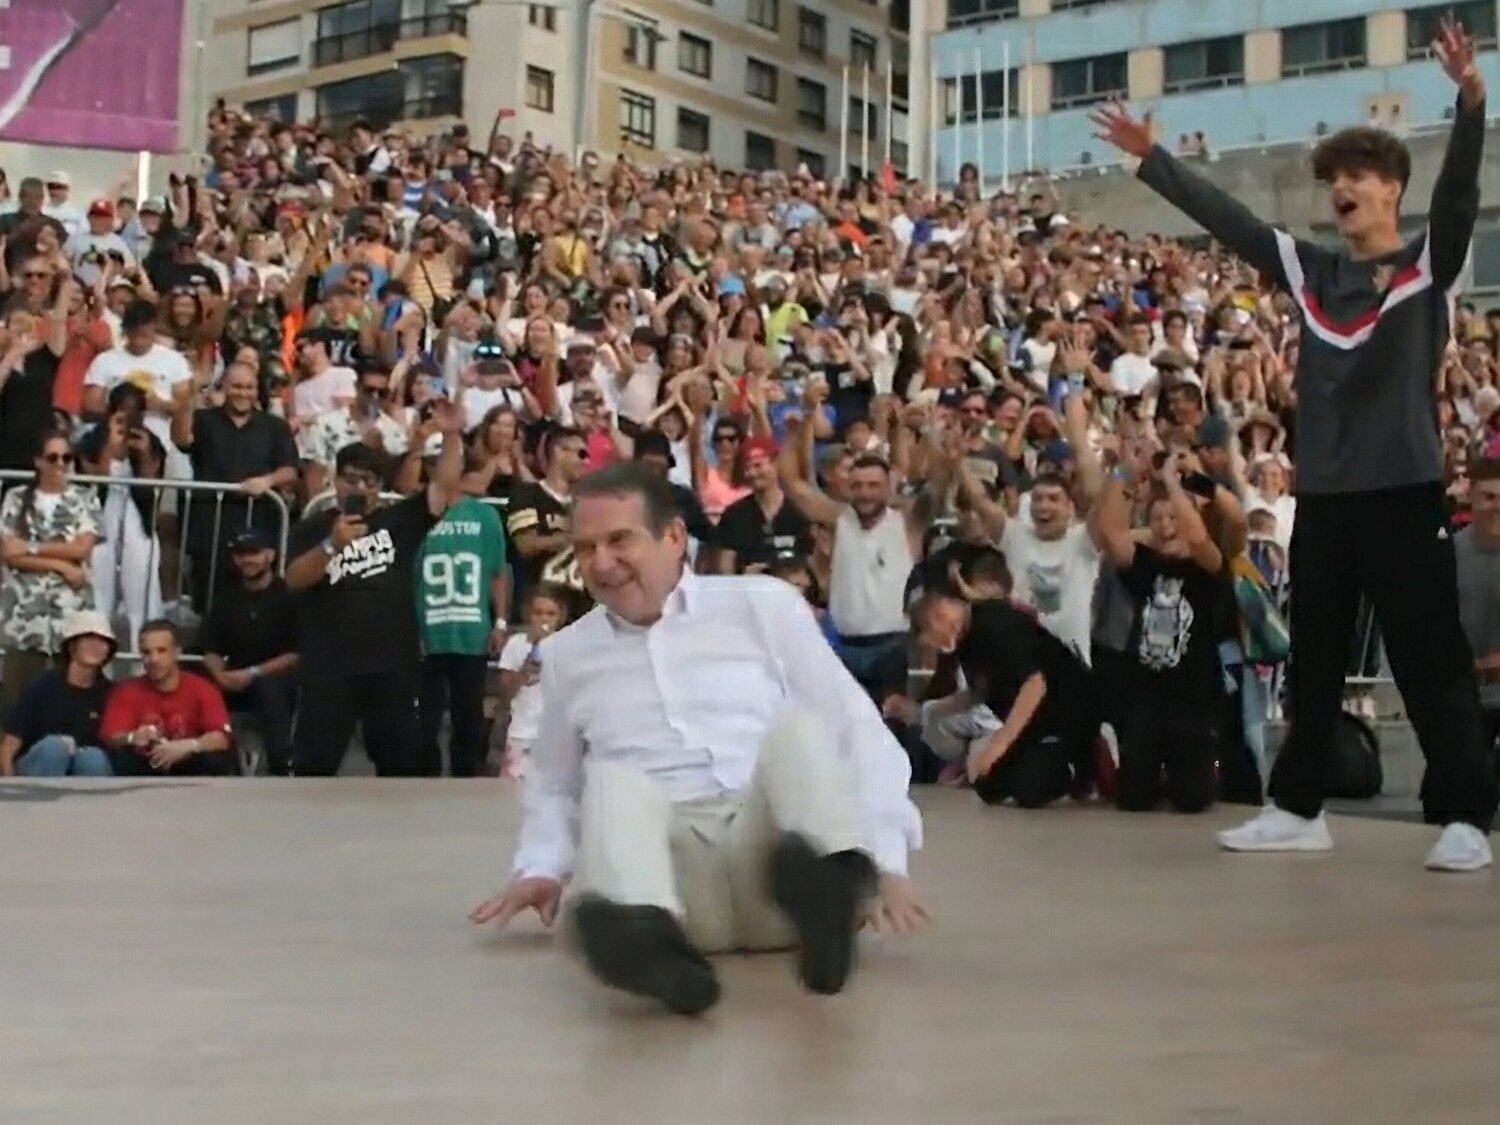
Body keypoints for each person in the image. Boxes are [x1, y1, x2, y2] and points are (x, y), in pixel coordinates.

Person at [1092, 17, 1499, 870]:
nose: (1341, 187)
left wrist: (1469, 104)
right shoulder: (1312, 273)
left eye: (1357, 175)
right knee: (1310, 658)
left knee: (1430, 657)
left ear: (1391, 189)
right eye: (1334, 178)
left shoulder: (1427, 265)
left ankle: (1465, 814)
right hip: (1326, 499)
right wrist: (1149, 160)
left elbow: (1460, 197)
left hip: (1406, 493)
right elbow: (1231, 219)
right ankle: (1297, 804)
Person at [470, 462, 927, 1015]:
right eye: (585, 548)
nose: (601, 563)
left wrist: (887, 858)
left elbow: (855, 730)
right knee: (613, 779)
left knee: (801, 733)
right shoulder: (568, 654)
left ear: (674, 537)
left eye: (620, 541)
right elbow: (556, 784)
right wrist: (541, 868)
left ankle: (832, 889)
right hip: (673, 892)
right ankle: (648, 952)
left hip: (776, 872)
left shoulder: (761, 604)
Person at [283, 399, 465, 777]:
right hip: (330, 666)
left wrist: (450, 434)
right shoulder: (314, 527)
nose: (360, 487)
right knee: (314, 766)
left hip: (390, 664)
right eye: (352, 478)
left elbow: (445, 488)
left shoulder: (397, 520)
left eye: (370, 481)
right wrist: (332, 545)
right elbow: (294, 579)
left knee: (400, 766)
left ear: (380, 488)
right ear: (335, 481)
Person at [908, 551, 1100, 807]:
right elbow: (983, 689)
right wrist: (933, 710)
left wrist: (999, 744)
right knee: (988, 784)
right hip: (1032, 724)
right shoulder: (966, 642)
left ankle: (1082, 766)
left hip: (1065, 717)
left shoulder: (994, 626)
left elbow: (1034, 684)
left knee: (1031, 786)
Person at [1093, 461, 1225, 814]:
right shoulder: (1144, 562)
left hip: (1192, 697)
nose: (1167, 527)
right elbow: (1111, 531)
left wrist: (1172, 484)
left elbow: (1198, 539)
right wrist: (1122, 473)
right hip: (1144, 693)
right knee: (1133, 799)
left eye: (1174, 519)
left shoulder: (1207, 566)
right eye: (1158, 520)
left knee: (1193, 801)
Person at [173, 358, 298, 617]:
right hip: (210, 528)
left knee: (258, 599)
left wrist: (267, 481)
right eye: (237, 386)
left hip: (258, 526)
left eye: (249, 387)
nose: (243, 393)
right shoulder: (204, 419)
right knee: (208, 600)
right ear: (224, 388)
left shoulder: (274, 426)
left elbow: (291, 470)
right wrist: (190, 395)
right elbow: (181, 438)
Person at [415, 449, 508, 778]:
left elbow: (498, 570)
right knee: (425, 717)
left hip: (471, 629)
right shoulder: (417, 513)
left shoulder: (485, 516)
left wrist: (500, 621)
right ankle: (423, 782)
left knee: (467, 714)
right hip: (427, 630)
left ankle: (464, 779)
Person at [0, 429, 102, 715]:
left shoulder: (85, 498)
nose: (60, 463)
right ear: (38, 461)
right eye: (53, 457)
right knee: (15, 703)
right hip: (23, 620)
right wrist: (59, 564)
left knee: (66, 703)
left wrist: (29, 548)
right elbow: (8, 552)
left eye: (66, 458)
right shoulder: (16, 498)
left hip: (69, 618)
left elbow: (81, 549)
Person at [201, 528, 300, 776]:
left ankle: (281, 768)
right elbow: (210, 647)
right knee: (198, 682)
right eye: (240, 554)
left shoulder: (289, 594)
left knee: (268, 689)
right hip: (235, 677)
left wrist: (253, 673)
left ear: (271, 555)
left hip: (279, 677)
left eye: (254, 552)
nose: (247, 559)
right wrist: (220, 675)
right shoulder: (226, 596)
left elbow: (298, 652)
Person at [101, 619, 236, 777]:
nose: (153, 659)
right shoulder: (126, 690)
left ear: (177, 652)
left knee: (215, 758)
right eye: (146, 652)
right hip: (145, 766)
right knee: (122, 756)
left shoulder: (202, 688)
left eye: (161, 650)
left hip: (190, 765)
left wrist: (188, 746)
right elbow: (111, 737)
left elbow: (222, 737)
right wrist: (132, 737)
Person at [0, 610, 115, 777]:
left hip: (83, 773)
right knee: (55, 747)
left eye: (102, 641)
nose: (95, 646)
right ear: (72, 645)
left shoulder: (111, 693)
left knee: (92, 757)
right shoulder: (43, 686)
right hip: (35, 775)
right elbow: (9, 744)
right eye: (88, 639)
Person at [495, 584, 567, 778]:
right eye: (538, 613)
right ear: (529, 615)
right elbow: (504, 693)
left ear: (559, 618)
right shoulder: (516, 644)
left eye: (551, 614)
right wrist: (524, 672)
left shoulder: (567, 646)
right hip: (521, 735)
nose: (544, 619)